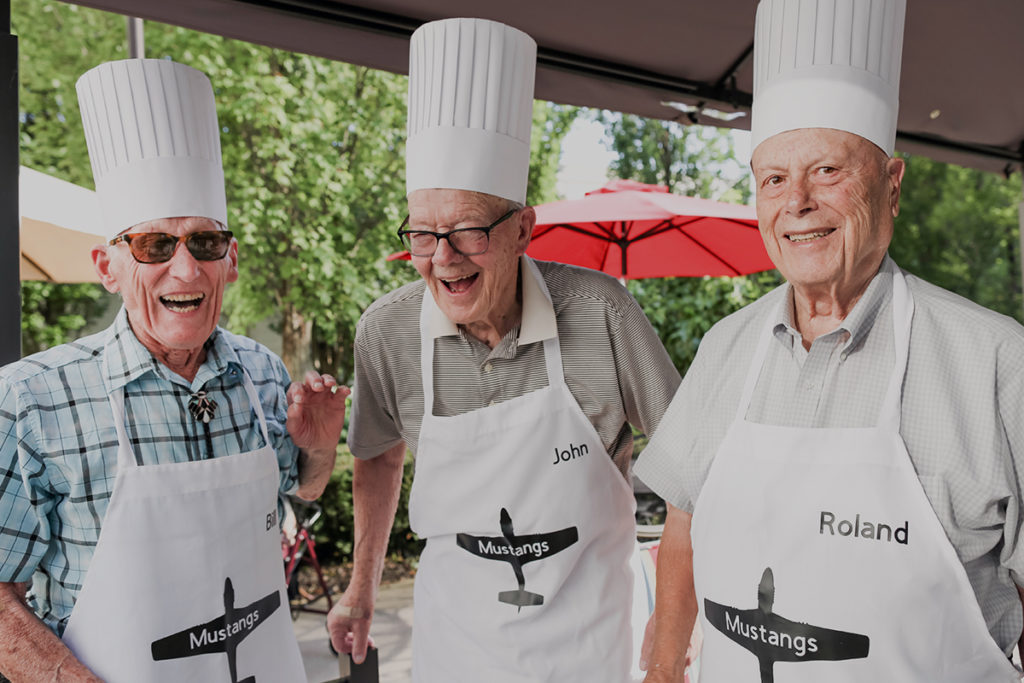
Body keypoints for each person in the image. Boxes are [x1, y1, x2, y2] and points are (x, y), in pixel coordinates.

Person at [635, 1, 1024, 681]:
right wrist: (664, 669)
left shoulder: (996, 361)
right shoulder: (725, 347)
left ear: (892, 184)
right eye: (774, 180)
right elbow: (681, 532)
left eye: (828, 171)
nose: (798, 203)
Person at [325, 17, 681, 682]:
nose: (443, 259)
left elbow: (696, 472)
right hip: (455, 647)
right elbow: (375, 454)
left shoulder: (601, 313)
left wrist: (672, 630)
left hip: (594, 645)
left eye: (466, 230)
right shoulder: (387, 331)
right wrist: (362, 585)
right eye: (424, 235)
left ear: (522, 228)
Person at [0, 59, 347, 683]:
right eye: (154, 245)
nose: (184, 271)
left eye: (204, 244)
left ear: (230, 259)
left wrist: (317, 451)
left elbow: (304, 492)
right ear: (108, 266)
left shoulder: (263, 373)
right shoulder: (28, 400)